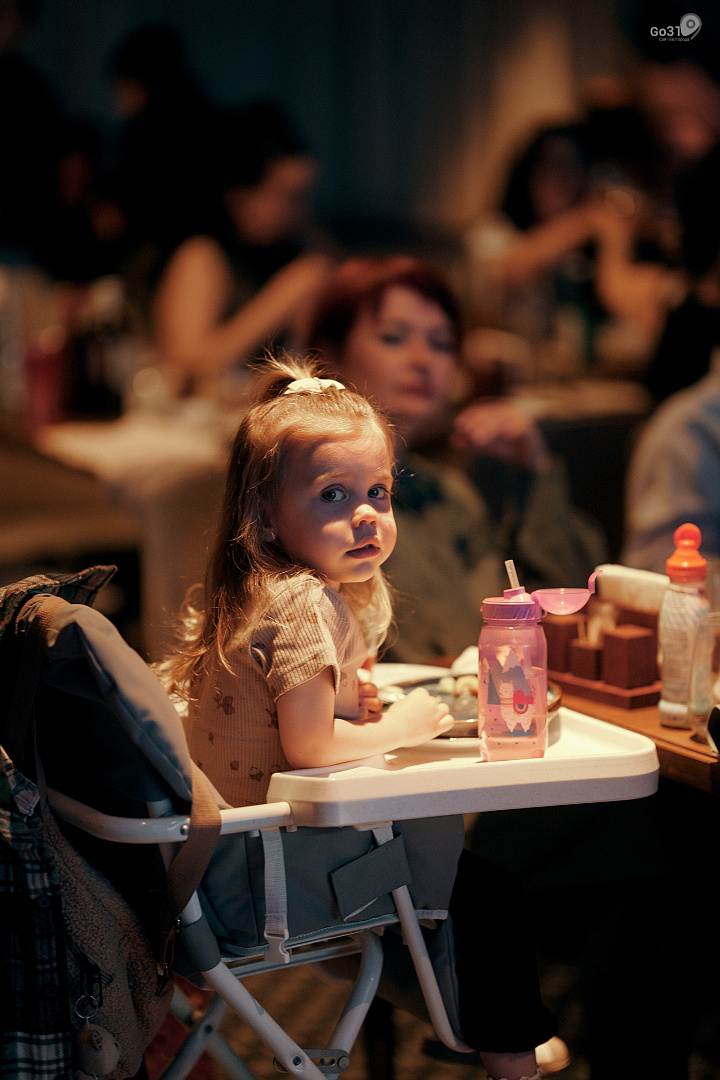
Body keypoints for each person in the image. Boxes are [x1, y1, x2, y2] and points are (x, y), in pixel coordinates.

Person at [161, 353, 563, 1080]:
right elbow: (311, 749)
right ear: (266, 515)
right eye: (333, 495)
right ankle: (509, 1059)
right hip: (278, 883)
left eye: (377, 490)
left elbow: (285, 714)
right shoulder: (303, 603)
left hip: (224, 870)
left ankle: (469, 1020)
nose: (366, 513)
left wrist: (349, 702)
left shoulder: (265, 591)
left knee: (458, 877)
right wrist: (405, 726)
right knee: (490, 895)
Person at [306, 255, 606, 662]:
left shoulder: (448, 493)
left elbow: (553, 607)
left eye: (441, 343)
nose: (422, 359)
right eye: (394, 337)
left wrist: (533, 467)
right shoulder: (310, 495)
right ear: (328, 355)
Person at [153, 102, 332, 392]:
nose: (300, 210)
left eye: (305, 195)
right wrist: (285, 296)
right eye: (287, 196)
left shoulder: (299, 250)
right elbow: (183, 366)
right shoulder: (203, 254)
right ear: (238, 194)